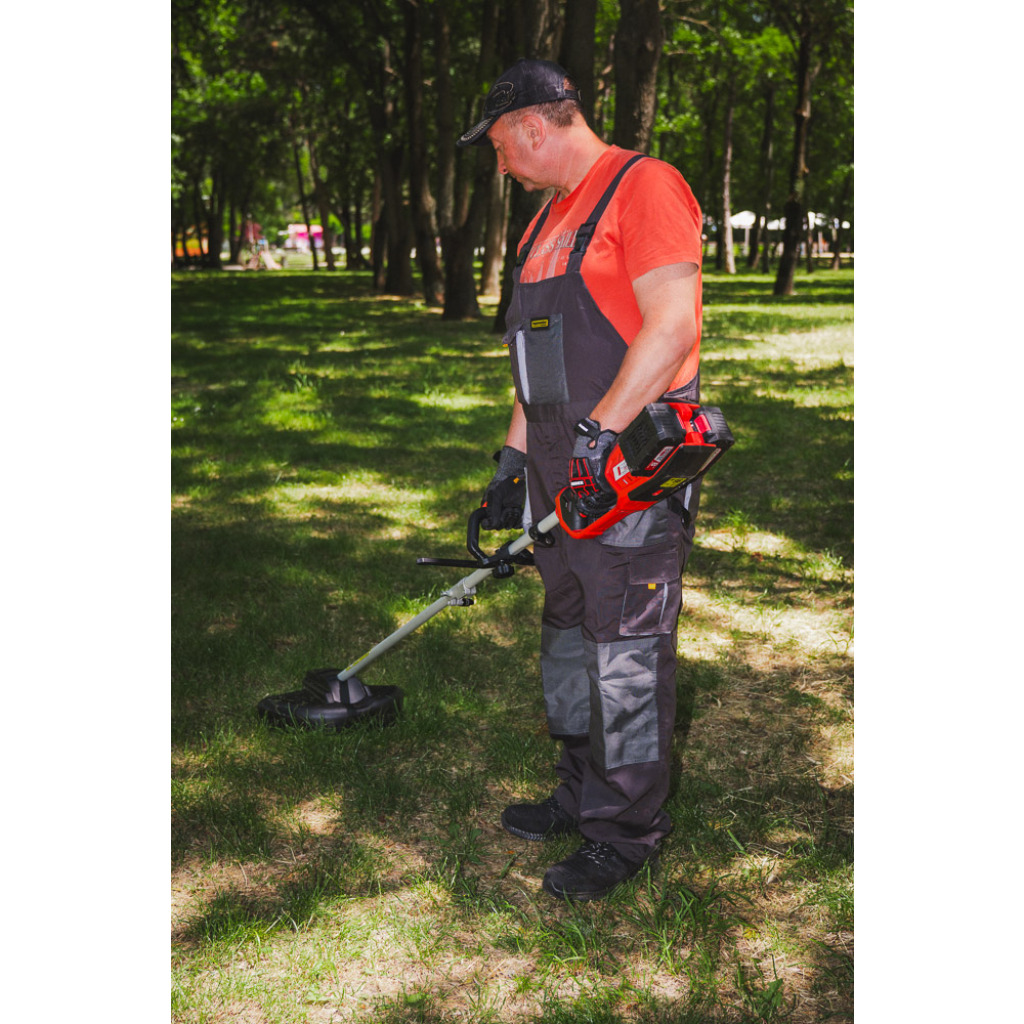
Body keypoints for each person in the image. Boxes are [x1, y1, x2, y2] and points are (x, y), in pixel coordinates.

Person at [458, 58, 704, 902]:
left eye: (500, 146)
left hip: (626, 464)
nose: (500, 165)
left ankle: (625, 830)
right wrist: (512, 461)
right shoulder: (544, 223)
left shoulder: (644, 187)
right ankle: (578, 790)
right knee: (568, 632)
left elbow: (671, 328)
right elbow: (536, 365)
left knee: (626, 647)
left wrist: (602, 435)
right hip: (556, 468)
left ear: (533, 125)